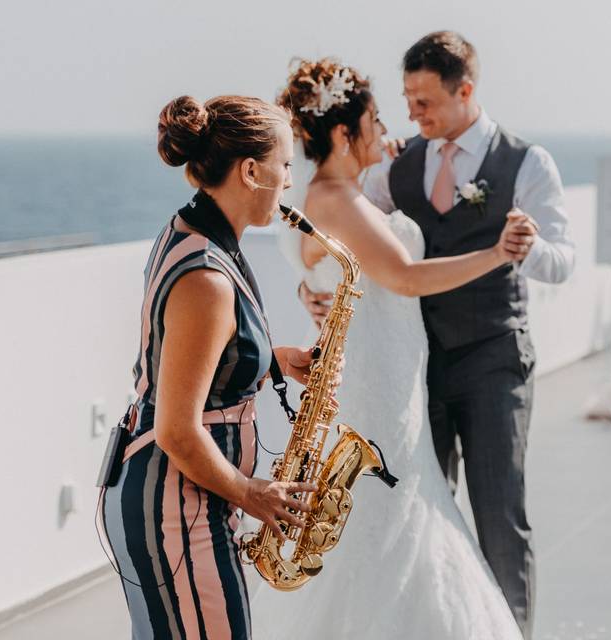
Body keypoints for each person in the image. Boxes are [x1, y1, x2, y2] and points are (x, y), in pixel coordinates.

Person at [296, 32, 575, 637]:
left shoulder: (526, 162)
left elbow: (563, 258)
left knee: (500, 516)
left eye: (424, 102)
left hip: (492, 356)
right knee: (419, 511)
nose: (412, 115)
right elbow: (331, 237)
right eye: (405, 101)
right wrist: (312, 291)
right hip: (412, 371)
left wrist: (525, 252)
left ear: (465, 90)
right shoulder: (395, 165)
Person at [249, 58, 533, 639]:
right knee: (383, 515)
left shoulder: (344, 194)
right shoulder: (332, 198)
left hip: (391, 368)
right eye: (373, 121)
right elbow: (403, 276)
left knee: (398, 509)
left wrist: (313, 287)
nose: (385, 129)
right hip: (372, 378)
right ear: (341, 134)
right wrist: (498, 255)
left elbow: (336, 267)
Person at [97, 94, 320, 640]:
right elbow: (177, 429)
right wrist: (252, 493)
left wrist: (274, 359)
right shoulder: (206, 277)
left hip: (181, 496)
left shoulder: (197, 231)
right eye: (285, 165)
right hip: (176, 505)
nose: (290, 181)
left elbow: (199, 353)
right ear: (250, 171)